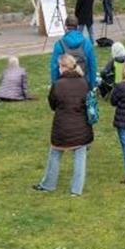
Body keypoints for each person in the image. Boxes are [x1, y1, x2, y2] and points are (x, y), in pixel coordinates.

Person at [33, 54, 93, 196]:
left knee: (55, 154)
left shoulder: (58, 85)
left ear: (64, 67)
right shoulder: (83, 83)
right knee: (80, 156)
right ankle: (76, 190)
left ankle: (49, 184)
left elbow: (52, 104)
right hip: (81, 125)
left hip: (62, 126)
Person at [50, 15, 98, 90]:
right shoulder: (87, 43)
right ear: (77, 26)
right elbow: (92, 66)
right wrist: (91, 85)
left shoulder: (59, 44)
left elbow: (54, 68)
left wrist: (55, 86)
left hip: (64, 86)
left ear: (65, 27)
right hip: (83, 84)